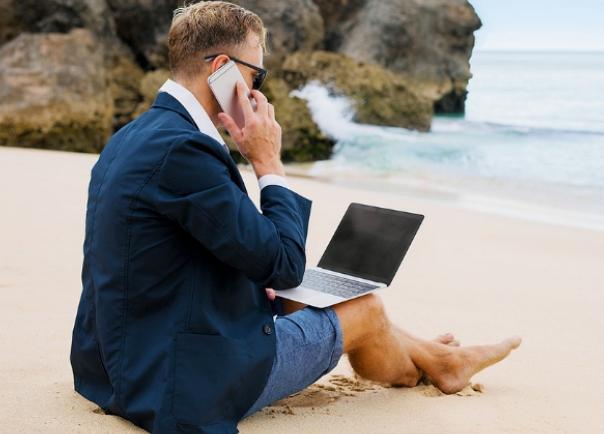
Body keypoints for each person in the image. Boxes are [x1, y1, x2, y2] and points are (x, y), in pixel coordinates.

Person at [69, 2, 521, 433]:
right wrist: (267, 163)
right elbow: (283, 262)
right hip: (181, 383)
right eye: (256, 75)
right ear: (220, 68)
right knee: (364, 306)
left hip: (115, 364)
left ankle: (432, 356)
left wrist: (266, 280)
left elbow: (205, 251)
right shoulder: (183, 150)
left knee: (304, 293)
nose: (257, 91)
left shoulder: (136, 136)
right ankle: (432, 368)